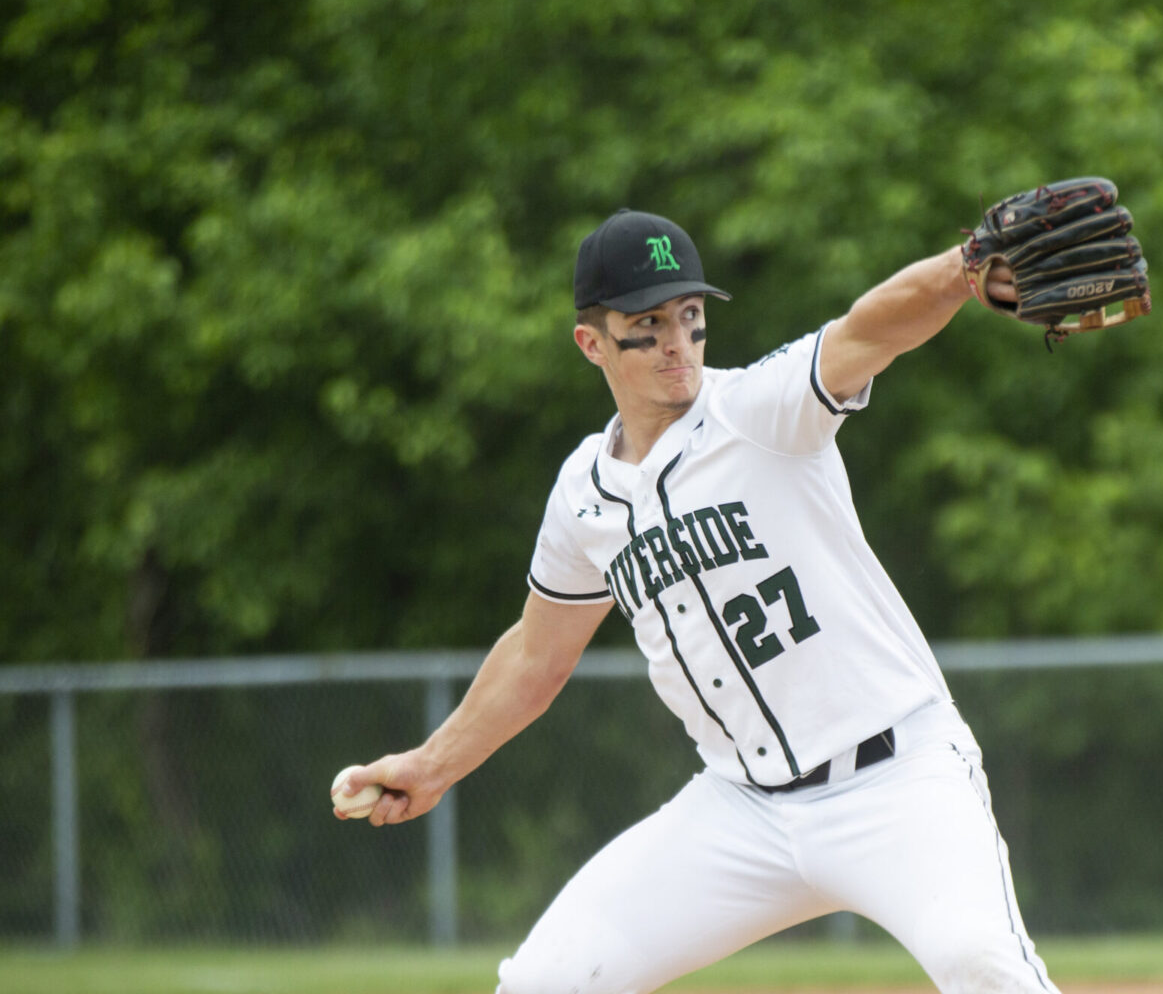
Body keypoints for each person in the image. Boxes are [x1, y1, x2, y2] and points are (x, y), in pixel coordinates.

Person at [333, 207, 1062, 993]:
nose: (677, 341)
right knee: (545, 982)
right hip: (742, 810)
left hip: (897, 778)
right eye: (647, 323)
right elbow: (537, 656)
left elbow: (869, 331)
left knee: (981, 966)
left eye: (690, 316)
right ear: (592, 343)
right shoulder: (585, 492)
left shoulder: (760, 411)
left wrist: (963, 268)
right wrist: (433, 765)